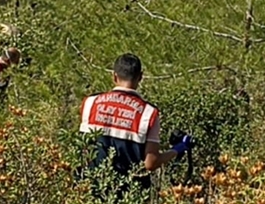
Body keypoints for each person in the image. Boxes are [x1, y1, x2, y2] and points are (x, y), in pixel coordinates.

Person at [79, 53, 193, 195]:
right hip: (129, 198)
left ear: (114, 77)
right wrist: (179, 148)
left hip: (90, 191)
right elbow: (151, 163)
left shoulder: (90, 103)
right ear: (140, 77)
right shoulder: (148, 113)